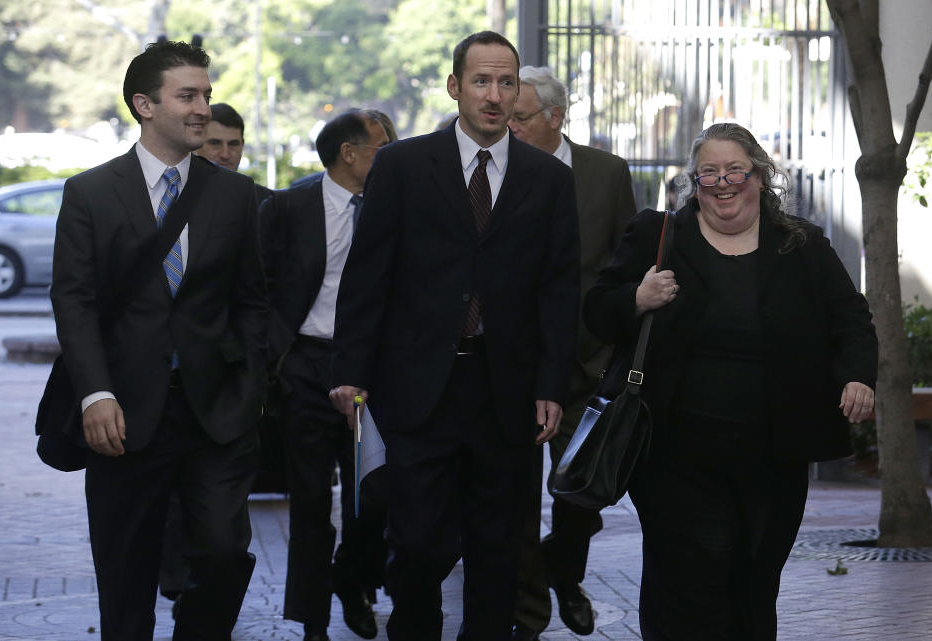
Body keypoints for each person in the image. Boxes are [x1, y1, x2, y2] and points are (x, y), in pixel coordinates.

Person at [328, 31, 580, 641]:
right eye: (481, 81)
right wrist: (350, 372)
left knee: (497, 550)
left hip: (506, 390)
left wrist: (551, 384)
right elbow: (368, 277)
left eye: (506, 82)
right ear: (455, 87)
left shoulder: (546, 179)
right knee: (416, 543)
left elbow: (558, 290)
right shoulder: (403, 165)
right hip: (417, 387)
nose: (494, 95)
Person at [583, 122, 878, 640]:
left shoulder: (799, 244)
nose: (723, 183)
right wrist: (637, 297)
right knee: (687, 580)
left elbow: (849, 316)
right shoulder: (659, 235)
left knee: (755, 579)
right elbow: (596, 312)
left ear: (760, 176)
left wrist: (856, 376)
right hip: (673, 451)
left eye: (735, 171)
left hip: (774, 451)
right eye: (709, 173)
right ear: (694, 181)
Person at [50, 41, 268, 641]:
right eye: (187, 96)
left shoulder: (235, 194)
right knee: (126, 575)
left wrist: (248, 385)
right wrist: (95, 394)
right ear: (145, 105)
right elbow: (75, 302)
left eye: (206, 94)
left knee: (225, 554)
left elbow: (252, 301)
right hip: (121, 414)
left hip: (215, 413)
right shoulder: (90, 193)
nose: (203, 108)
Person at [507, 65, 637, 641]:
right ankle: (530, 612)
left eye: (520, 117)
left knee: (582, 493)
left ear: (556, 117)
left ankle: (563, 570)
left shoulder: (605, 174)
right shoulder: (491, 169)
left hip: (586, 363)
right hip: (511, 364)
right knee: (511, 498)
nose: (507, 125)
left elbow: (626, 264)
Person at [259, 109, 391, 641]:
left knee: (372, 497)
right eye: (382, 146)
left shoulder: (392, 205)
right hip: (307, 369)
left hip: (372, 372)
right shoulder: (290, 206)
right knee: (310, 503)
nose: (392, 154)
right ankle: (313, 620)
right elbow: (262, 284)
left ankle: (352, 580)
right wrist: (278, 361)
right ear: (350, 153)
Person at [158, 100, 273, 607]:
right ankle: (180, 589)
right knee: (164, 528)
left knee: (225, 541)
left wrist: (253, 378)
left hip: (224, 395)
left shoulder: (254, 200)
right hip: (151, 394)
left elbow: (261, 298)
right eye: (214, 144)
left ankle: (201, 617)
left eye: (234, 144)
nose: (225, 154)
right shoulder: (136, 194)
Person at [291, 109, 397, 189]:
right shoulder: (293, 203)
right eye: (383, 147)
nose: (390, 156)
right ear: (349, 154)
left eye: (390, 147)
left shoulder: (400, 200)